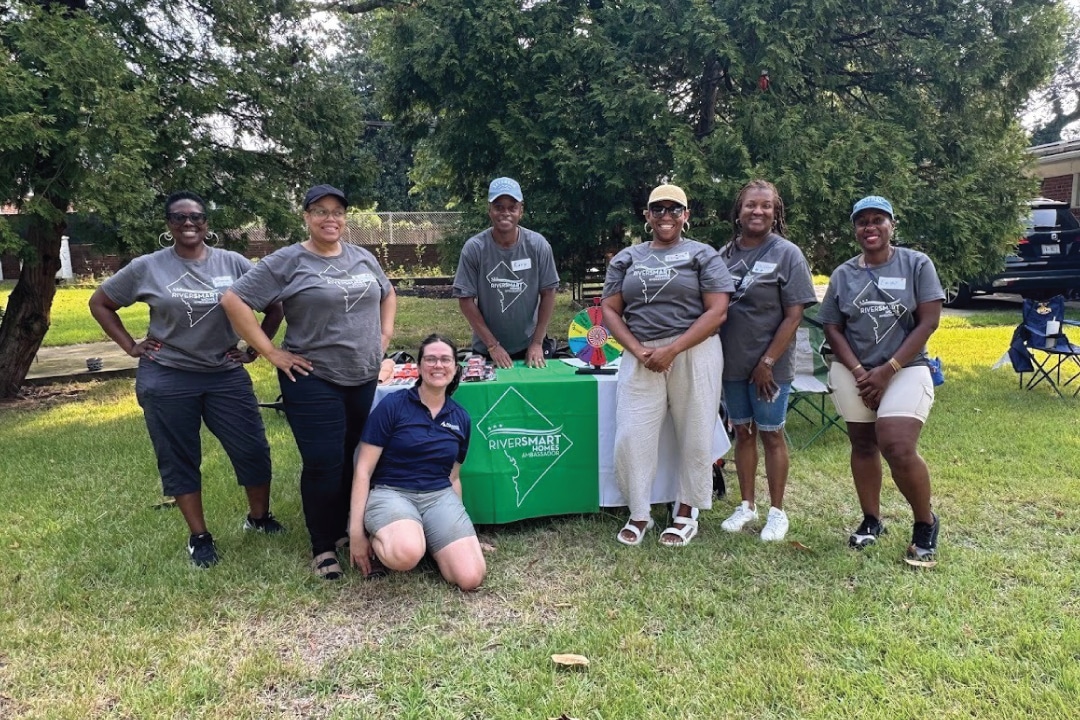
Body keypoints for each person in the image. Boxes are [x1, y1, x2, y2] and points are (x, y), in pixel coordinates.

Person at [89, 191, 285, 568]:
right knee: (179, 457)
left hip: (225, 374)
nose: (189, 223)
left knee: (252, 449)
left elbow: (275, 303)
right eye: (179, 218)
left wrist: (254, 349)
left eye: (197, 216)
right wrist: (131, 346)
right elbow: (101, 302)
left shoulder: (234, 262)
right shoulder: (148, 267)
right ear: (169, 225)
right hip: (167, 377)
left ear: (207, 223)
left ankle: (259, 518)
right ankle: (199, 536)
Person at [221, 184, 397, 580]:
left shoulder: (362, 256)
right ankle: (322, 546)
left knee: (356, 457)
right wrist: (271, 352)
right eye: (320, 211)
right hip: (313, 377)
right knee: (323, 463)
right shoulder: (289, 260)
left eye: (337, 211)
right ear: (306, 216)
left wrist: (384, 336)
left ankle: (350, 531)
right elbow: (234, 300)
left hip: (363, 373)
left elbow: (388, 293)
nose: (330, 218)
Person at [602, 183, 734, 547]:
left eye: (674, 209)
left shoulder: (702, 254)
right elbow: (610, 310)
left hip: (694, 352)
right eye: (657, 209)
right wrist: (637, 349)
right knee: (631, 435)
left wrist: (673, 349)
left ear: (686, 216)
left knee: (694, 433)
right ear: (647, 216)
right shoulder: (627, 258)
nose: (665, 216)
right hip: (640, 354)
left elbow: (717, 311)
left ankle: (686, 511)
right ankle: (639, 512)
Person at [819, 196, 944, 562]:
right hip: (854, 370)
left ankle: (925, 522)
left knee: (897, 445)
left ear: (892, 225)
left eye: (878, 220)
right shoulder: (844, 274)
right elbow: (831, 325)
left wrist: (887, 370)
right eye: (862, 222)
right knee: (862, 443)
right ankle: (872, 520)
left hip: (905, 368)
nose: (870, 227)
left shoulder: (916, 264)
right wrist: (860, 372)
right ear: (855, 229)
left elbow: (929, 321)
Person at [718, 180, 817, 542]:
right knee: (742, 433)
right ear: (738, 211)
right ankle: (746, 505)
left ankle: (777, 512)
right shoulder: (725, 254)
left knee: (772, 435)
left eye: (765, 206)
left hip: (770, 367)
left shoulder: (787, 253)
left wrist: (768, 361)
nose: (757, 212)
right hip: (732, 363)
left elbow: (794, 315)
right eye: (750, 205)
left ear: (776, 213)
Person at [348, 334, 486, 590]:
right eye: (430, 359)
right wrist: (355, 533)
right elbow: (363, 470)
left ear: (455, 368)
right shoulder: (393, 405)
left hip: (438, 496)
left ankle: (430, 538)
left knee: (470, 577)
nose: (438, 365)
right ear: (420, 367)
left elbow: (453, 478)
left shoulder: (460, 418)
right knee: (406, 554)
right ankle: (398, 538)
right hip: (392, 493)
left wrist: (462, 528)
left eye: (445, 359)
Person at [453, 177, 560, 368]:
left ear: (521, 210)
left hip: (529, 347)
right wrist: (493, 346)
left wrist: (537, 342)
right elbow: (465, 300)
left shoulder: (537, 246)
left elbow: (549, 293)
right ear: (489, 210)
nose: (506, 213)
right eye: (499, 207)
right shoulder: (474, 249)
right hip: (486, 349)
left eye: (512, 207)